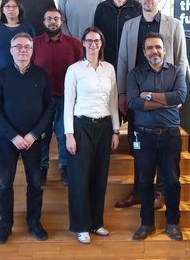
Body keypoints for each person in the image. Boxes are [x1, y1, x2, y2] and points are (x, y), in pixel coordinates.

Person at [115, 0, 188, 210]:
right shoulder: (129, 26)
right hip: (137, 95)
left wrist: (177, 94)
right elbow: (123, 60)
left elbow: (181, 60)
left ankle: (160, 192)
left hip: (166, 92)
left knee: (165, 153)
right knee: (139, 147)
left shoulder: (174, 25)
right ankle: (139, 190)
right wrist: (122, 93)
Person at [0, 33, 53, 244]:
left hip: (33, 140)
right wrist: (14, 136)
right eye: (18, 46)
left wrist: (33, 134)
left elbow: (49, 108)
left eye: (27, 46)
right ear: (11, 50)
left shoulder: (41, 75)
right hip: (8, 139)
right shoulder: (1, 75)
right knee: (5, 184)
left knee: (35, 183)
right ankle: (5, 225)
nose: (22, 50)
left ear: (32, 50)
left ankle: (34, 222)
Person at [127, 32, 187, 241]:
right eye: (150, 48)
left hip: (170, 135)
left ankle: (172, 223)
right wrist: (166, 101)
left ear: (164, 49)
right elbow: (133, 102)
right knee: (144, 181)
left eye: (158, 47)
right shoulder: (136, 73)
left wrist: (149, 95)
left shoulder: (176, 72)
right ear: (144, 52)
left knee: (172, 181)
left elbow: (180, 96)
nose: (155, 51)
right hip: (144, 136)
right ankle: (147, 224)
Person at [64, 27, 120, 244]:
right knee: (80, 178)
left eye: (97, 40)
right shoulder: (75, 70)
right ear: (83, 43)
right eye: (89, 40)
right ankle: (81, 226)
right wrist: (69, 134)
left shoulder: (109, 69)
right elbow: (69, 103)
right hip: (81, 127)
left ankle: (96, 223)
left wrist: (116, 130)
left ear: (101, 43)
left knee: (99, 176)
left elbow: (113, 101)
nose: (93, 44)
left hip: (104, 127)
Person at [31, 8, 82, 186]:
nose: (53, 22)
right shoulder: (34, 44)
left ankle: (65, 167)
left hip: (66, 99)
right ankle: (42, 167)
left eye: (56, 19)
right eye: (49, 19)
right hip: (41, 100)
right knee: (42, 135)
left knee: (63, 134)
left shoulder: (74, 44)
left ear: (61, 22)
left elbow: (80, 71)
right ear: (43, 22)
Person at [0, 0, 35, 91]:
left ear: (19, 9)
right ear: (2, 9)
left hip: (23, 74)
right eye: (7, 6)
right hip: (0, 75)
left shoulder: (27, 27)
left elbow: (34, 52)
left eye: (14, 6)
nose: (11, 9)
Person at [94, 0, 141, 70]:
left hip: (132, 60)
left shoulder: (138, 8)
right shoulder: (102, 8)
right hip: (106, 59)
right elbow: (97, 34)